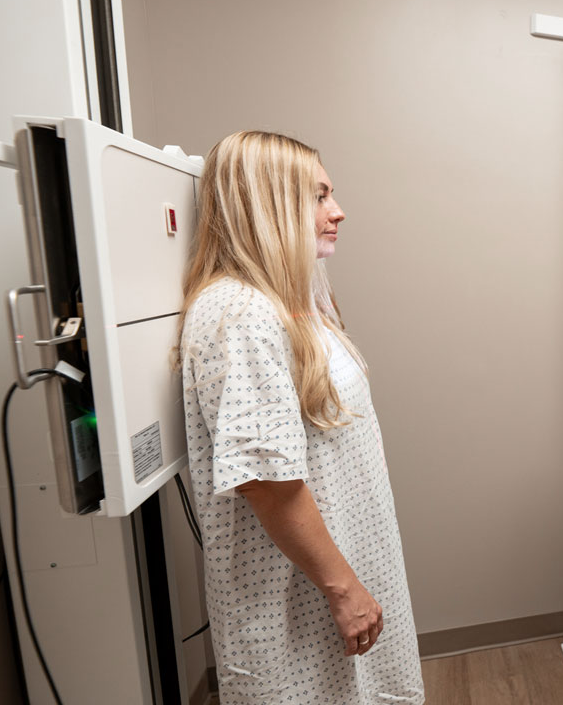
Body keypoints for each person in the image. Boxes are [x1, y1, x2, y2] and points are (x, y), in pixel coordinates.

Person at [176, 131, 424, 703]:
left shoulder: (300, 297)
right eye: (318, 196)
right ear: (267, 206)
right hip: (296, 596)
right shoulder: (238, 312)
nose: (338, 211)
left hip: (348, 558)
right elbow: (266, 481)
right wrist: (343, 589)